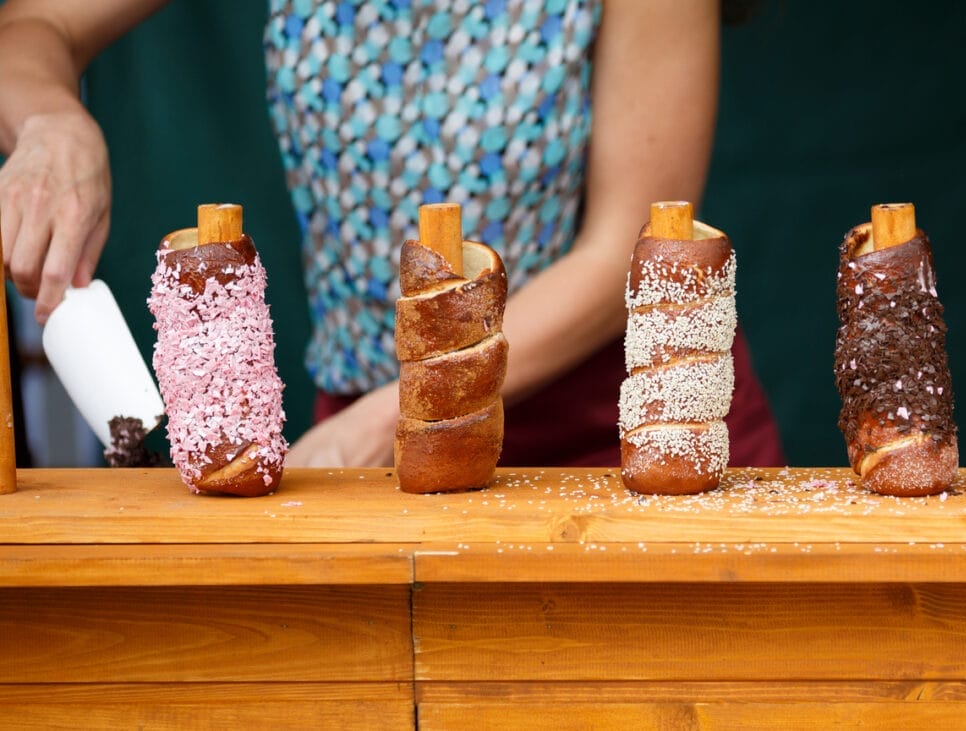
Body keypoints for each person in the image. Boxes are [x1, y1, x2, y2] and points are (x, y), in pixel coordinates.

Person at [0, 0, 784, 469]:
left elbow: (627, 247)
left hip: (622, 440)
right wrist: (50, 121)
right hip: (372, 452)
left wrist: (391, 416)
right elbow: (31, 23)